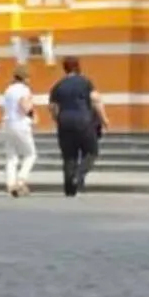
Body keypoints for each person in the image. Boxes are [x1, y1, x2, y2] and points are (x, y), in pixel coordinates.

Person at [48, 58, 106, 197]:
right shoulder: (85, 82)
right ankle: (78, 176)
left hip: (64, 121)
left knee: (69, 156)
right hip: (83, 120)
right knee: (91, 152)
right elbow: (95, 100)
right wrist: (104, 119)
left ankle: (69, 188)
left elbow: (52, 107)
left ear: (65, 68)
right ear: (78, 67)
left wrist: (58, 120)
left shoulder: (58, 85)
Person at [0, 64, 38, 198]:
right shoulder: (23, 89)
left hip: (7, 123)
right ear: (25, 77)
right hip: (20, 123)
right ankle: (21, 179)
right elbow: (24, 105)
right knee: (30, 154)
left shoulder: (8, 90)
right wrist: (33, 115)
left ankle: (10, 184)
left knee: (11, 156)